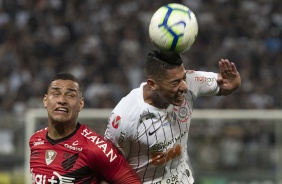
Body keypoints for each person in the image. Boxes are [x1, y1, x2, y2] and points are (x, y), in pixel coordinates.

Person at [104, 50, 241, 183]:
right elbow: (109, 169)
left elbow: (224, 84)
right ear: (153, 84)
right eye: (175, 83)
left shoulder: (190, 81)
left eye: (183, 78)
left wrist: (233, 84)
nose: (184, 87)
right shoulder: (124, 117)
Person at [29, 72, 141, 184]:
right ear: (45, 100)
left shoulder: (96, 148)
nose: (62, 100)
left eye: (70, 95)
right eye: (56, 94)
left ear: (80, 104)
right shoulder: (35, 140)